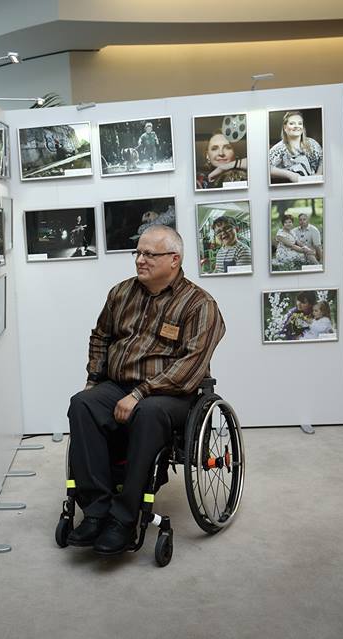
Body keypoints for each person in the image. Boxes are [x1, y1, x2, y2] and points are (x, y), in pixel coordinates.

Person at [66, 225, 225, 554]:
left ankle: (124, 518)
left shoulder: (199, 304)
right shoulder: (121, 293)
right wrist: (94, 381)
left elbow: (190, 366)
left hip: (171, 394)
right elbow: (101, 337)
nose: (140, 260)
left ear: (174, 259)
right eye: (137, 253)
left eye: (149, 254)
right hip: (118, 384)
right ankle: (96, 510)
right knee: (82, 404)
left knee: (148, 413)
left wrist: (140, 393)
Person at [268, 111, 323, 183]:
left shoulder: (312, 143)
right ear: (285, 127)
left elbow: (322, 160)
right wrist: (290, 175)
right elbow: (266, 167)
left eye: (300, 123)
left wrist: (318, 175)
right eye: (292, 123)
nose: (296, 126)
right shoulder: (279, 148)